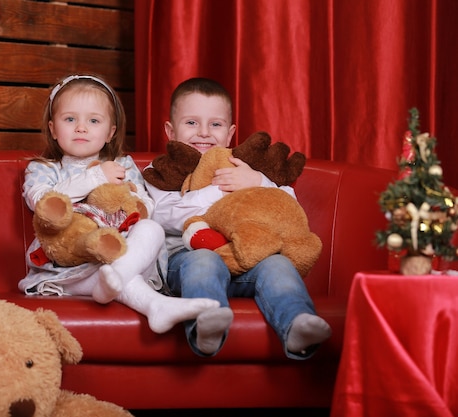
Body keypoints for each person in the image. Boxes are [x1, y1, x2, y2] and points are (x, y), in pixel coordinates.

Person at [145, 77, 332, 356]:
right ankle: (206, 325)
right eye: (192, 123)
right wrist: (217, 189)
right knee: (204, 260)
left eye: (216, 124)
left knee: (278, 264)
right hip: (183, 264)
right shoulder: (160, 170)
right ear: (171, 131)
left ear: (230, 133)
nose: (204, 133)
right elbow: (163, 215)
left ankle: (297, 324)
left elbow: (287, 208)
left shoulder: (242, 166)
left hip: (245, 263)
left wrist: (257, 181)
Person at [19, 74, 219, 334]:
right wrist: (96, 177)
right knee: (110, 277)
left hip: (122, 256)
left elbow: (144, 204)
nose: (81, 127)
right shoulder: (44, 169)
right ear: (53, 129)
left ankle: (118, 275)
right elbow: (43, 203)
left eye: (93, 120)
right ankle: (155, 305)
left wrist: (132, 203)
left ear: (110, 132)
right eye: (70, 119)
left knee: (153, 230)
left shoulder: (123, 165)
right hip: (72, 268)